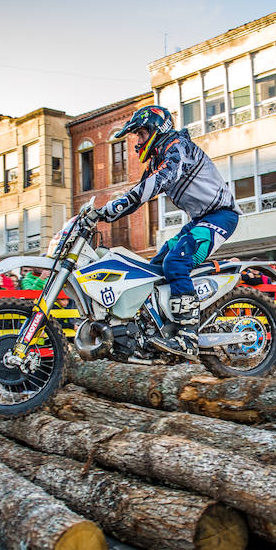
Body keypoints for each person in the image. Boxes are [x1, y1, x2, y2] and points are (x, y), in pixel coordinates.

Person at [88, 105, 241, 360]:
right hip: (201, 219)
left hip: (221, 216)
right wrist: (103, 214)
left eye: (140, 134)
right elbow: (139, 195)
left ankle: (188, 336)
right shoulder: (160, 157)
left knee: (176, 261)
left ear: (156, 129)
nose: (138, 141)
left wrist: (107, 209)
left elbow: (155, 184)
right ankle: (158, 330)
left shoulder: (178, 148)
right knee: (156, 264)